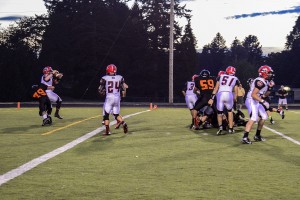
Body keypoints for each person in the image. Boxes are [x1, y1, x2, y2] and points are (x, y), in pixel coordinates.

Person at [242, 65, 274, 144]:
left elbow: (264, 95)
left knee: (264, 116)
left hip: (256, 100)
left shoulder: (265, 81)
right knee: (254, 118)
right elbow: (253, 94)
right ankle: (245, 137)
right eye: (269, 73)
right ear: (264, 73)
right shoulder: (260, 81)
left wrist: (270, 88)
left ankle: (257, 135)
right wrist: (263, 102)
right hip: (251, 100)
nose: (270, 74)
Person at [98, 64, 128, 136]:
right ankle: (123, 122)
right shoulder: (120, 77)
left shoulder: (105, 78)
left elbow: (100, 89)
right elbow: (123, 89)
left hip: (109, 98)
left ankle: (107, 131)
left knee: (106, 115)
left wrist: (102, 92)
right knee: (116, 114)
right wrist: (123, 96)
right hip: (117, 98)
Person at [208, 66, 240, 135]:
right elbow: (236, 91)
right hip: (229, 94)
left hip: (220, 94)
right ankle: (231, 129)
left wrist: (212, 98)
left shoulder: (221, 76)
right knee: (230, 112)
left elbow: (216, 88)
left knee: (219, 113)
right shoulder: (235, 78)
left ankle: (220, 128)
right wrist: (235, 99)